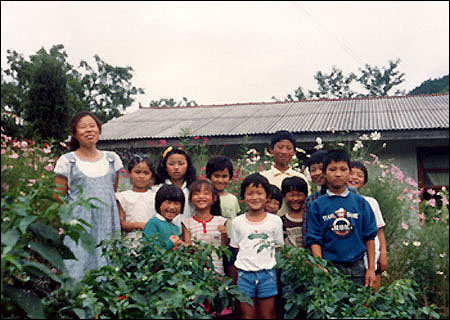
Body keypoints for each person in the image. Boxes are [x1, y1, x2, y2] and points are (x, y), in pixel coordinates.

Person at [53, 111, 123, 280]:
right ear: (75, 133)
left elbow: (111, 192)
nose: (89, 130)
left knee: (107, 265)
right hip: (80, 225)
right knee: (77, 266)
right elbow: (58, 197)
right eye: (83, 127)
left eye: (93, 126)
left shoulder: (112, 159)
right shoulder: (67, 161)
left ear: (99, 130)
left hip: (108, 223)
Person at [305, 149, 378, 288]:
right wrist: (320, 266)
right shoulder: (317, 205)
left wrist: (370, 269)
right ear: (325, 173)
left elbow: (370, 237)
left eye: (343, 169)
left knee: (358, 307)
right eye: (332, 169)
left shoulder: (360, 203)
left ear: (349, 173)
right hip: (330, 267)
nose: (338, 174)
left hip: (357, 267)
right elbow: (314, 239)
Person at [230, 173, 284, 319]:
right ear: (243, 197)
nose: (255, 197)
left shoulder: (275, 221)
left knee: (267, 315)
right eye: (250, 193)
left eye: (259, 193)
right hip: (244, 275)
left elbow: (278, 248)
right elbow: (236, 248)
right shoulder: (237, 222)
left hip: (267, 274)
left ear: (267, 196)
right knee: (247, 315)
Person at [349, 161, 388, 291]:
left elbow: (379, 232)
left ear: (364, 182)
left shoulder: (371, 202)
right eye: (351, 173)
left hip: (372, 259)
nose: (354, 177)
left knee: (371, 296)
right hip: (351, 263)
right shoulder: (336, 202)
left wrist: (383, 255)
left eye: (359, 175)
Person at [205, 156, 241, 286]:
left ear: (230, 177)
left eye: (224, 176)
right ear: (209, 176)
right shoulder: (205, 198)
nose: (220, 180)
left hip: (231, 244)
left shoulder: (232, 199)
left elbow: (236, 220)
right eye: (216, 176)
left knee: (232, 279)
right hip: (213, 243)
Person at [182, 180, 229, 275]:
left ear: (214, 198)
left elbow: (224, 247)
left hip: (217, 271)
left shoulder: (220, 221)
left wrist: (224, 234)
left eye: (206, 193)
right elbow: (188, 249)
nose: (201, 196)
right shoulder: (187, 223)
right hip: (196, 272)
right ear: (191, 199)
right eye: (196, 193)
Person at [260, 130, 310, 216]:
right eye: (280, 147)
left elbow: (307, 204)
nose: (284, 152)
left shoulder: (301, 178)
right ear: (271, 150)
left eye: (289, 148)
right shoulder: (263, 178)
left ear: (294, 152)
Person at [115, 155, 156, 250]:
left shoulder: (155, 196)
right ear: (129, 173)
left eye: (146, 173)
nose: (141, 176)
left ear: (151, 176)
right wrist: (140, 225)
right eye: (137, 172)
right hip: (130, 243)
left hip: (152, 242)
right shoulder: (122, 197)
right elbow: (120, 223)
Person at [153, 146, 197, 233]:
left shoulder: (193, 190)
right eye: (171, 164)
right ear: (164, 166)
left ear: (188, 166)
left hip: (189, 236)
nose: (176, 167)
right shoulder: (157, 190)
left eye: (181, 164)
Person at [142, 184, 186, 250]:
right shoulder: (153, 223)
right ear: (159, 203)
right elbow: (148, 246)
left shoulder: (175, 227)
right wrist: (170, 243)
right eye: (168, 202)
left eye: (176, 203)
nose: (172, 207)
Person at [302, 150, 328, 247]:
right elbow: (307, 232)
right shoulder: (311, 200)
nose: (317, 173)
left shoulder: (350, 194)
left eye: (321, 168)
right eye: (313, 170)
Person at [281, 176, 308, 248]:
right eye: (291, 195)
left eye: (299, 195)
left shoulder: (310, 218)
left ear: (306, 195)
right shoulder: (282, 221)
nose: (295, 199)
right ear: (284, 196)